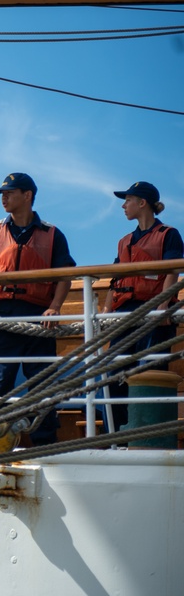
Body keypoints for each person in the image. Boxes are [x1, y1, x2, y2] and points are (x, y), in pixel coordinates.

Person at [0, 173, 75, 445]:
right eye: (2, 193)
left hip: (39, 320)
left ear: (27, 195)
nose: (3, 197)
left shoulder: (53, 234)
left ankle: (44, 445)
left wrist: (55, 307)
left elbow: (65, 276)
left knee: (42, 385)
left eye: (9, 192)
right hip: (1, 317)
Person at [101, 181, 182, 431]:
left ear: (142, 203)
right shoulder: (124, 241)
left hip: (154, 312)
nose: (124, 205)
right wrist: (105, 312)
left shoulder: (168, 234)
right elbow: (116, 280)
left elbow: (173, 269)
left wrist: (164, 303)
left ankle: (147, 434)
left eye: (128, 200)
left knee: (148, 371)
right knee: (114, 370)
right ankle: (117, 434)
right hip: (125, 313)